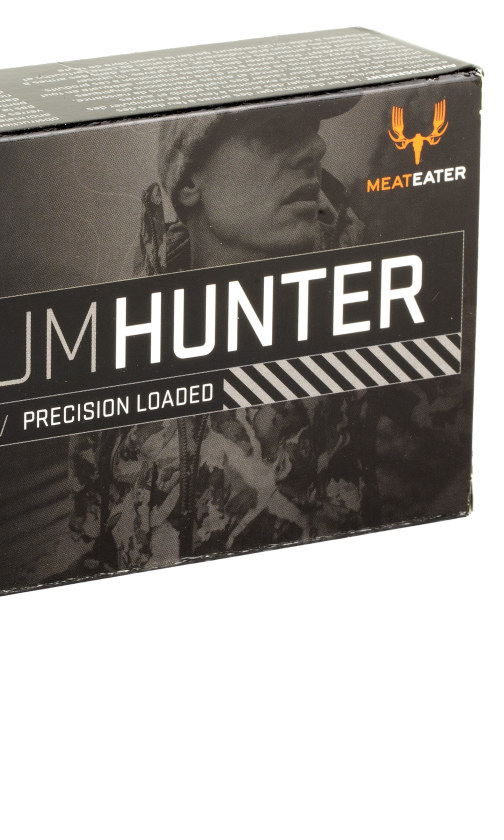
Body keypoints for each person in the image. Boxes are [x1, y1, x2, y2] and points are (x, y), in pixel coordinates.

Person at [67, 96, 375, 573]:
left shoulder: (358, 326)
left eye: (311, 128)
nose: (316, 147)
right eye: (273, 131)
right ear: (190, 181)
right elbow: (94, 543)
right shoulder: (118, 346)